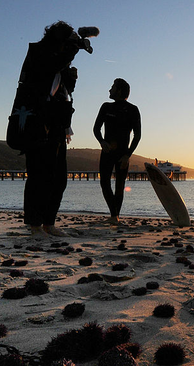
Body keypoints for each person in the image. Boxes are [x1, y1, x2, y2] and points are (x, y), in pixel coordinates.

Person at [13, 21, 91, 237]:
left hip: (57, 122)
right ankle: (35, 225)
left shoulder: (60, 58)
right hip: (37, 121)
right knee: (39, 174)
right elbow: (48, 70)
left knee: (58, 178)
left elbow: (62, 87)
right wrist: (75, 48)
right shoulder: (39, 52)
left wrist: (71, 79)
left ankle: (49, 223)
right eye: (67, 41)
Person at [93, 78, 142, 225]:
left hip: (122, 154)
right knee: (104, 183)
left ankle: (115, 216)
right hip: (107, 152)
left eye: (112, 87)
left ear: (119, 91)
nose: (109, 90)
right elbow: (96, 128)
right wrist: (102, 142)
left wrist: (128, 155)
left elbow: (137, 135)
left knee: (120, 185)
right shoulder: (106, 107)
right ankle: (114, 215)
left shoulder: (133, 109)